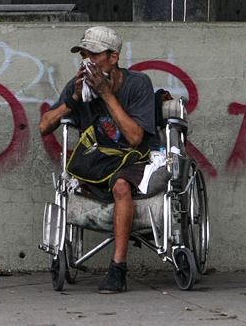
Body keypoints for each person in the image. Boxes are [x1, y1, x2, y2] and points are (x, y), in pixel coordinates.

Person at [39, 26, 160, 293]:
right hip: (97, 160)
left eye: (94, 55)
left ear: (113, 57)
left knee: (120, 185)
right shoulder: (78, 86)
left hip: (135, 159)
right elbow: (44, 126)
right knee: (71, 181)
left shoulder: (138, 83)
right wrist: (72, 100)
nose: (88, 62)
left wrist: (106, 93)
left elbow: (135, 137)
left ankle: (118, 268)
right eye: (83, 55)